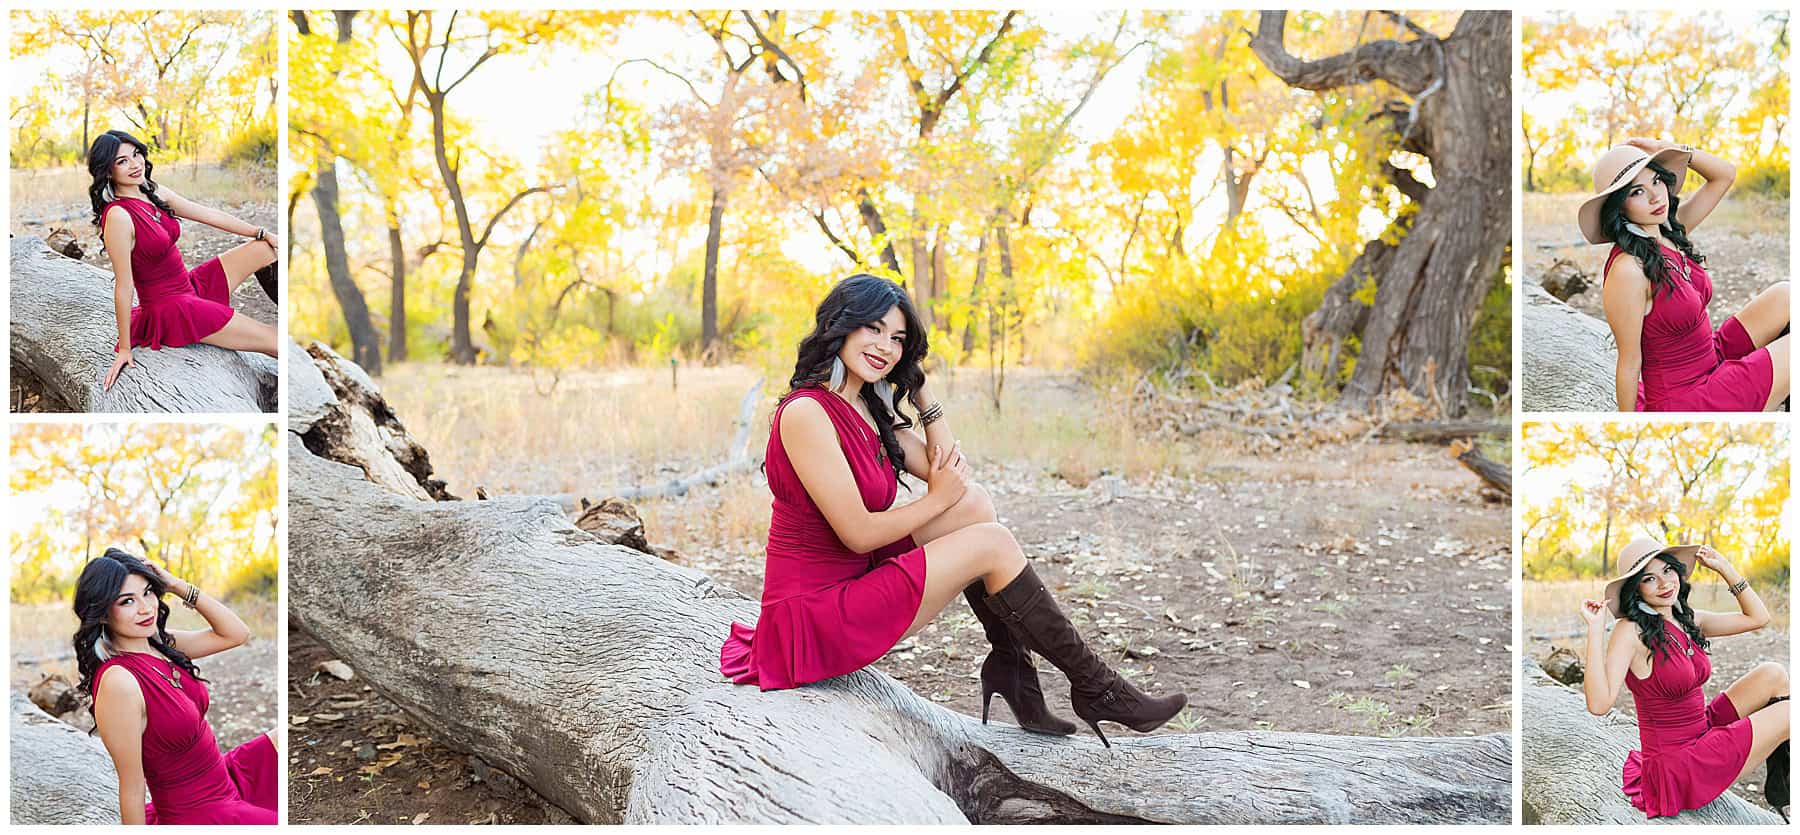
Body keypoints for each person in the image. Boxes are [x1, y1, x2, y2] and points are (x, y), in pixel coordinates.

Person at [720, 274, 1186, 746]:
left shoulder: (864, 408)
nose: (886, 346)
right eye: (874, 329)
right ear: (842, 326)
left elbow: (950, 476)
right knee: (991, 542)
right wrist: (936, 500)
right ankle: (1097, 687)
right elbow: (859, 533)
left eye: (898, 339)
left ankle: (1013, 668)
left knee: (977, 505)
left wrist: (921, 394)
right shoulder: (807, 413)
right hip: (812, 619)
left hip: (851, 580)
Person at [1580, 537, 1789, 819]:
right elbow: (1599, 704)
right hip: (1677, 766)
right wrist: (1594, 630)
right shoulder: (1629, 631)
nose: (1665, 584)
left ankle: (1782, 787)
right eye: (1649, 579)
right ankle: (1785, 794)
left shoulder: (1687, 619)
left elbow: (1758, 618)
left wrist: (1725, 568)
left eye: (1667, 570)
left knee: (1772, 673)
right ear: (1636, 589)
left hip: (1701, 730)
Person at [73, 548, 277, 825]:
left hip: (224, 780)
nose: (146, 608)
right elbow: (132, 787)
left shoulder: (160, 645)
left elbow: (236, 634)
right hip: (199, 814)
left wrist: (177, 585)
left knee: (282, 739)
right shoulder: (119, 682)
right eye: (127, 601)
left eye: (148, 592)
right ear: (103, 613)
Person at [1582, 140, 1789, 412]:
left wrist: (1669, 148)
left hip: (1711, 356)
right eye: (1637, 192)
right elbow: (1629, 361)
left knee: (1787, 294)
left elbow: (1725, 174)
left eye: (1656, 180)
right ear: (1618, 206)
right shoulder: (1628, 270)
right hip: (1685, 398)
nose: (1656, 197)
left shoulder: (1668, 231)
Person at [86, 129, 280, 391]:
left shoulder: (151, 190)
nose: (134, 164)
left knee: (266, 249)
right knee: (273, 339)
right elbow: (123, 285)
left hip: (191, 285)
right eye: (122, 161)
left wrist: (262, 232)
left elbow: (207, 214)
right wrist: (123, 348)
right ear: (108, 171)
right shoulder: (118, 216)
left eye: (136, 154)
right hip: (173, 309)